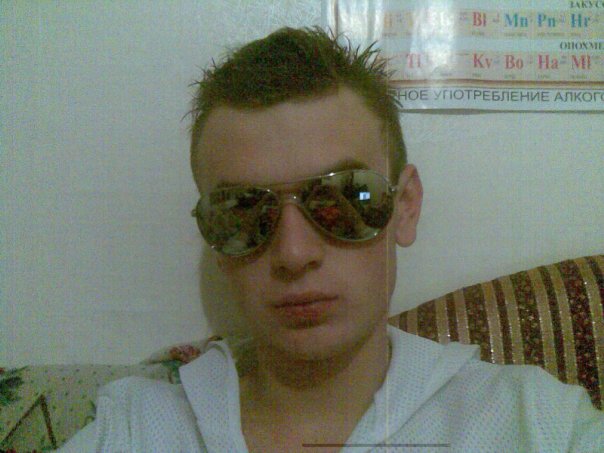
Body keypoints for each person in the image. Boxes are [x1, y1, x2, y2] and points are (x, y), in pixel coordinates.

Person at [58, 27, 602, 452]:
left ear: (405, 207)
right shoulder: (134, 428)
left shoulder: (536, 424)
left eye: (347, 198)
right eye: (242, 211)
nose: (294, 254)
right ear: (212, 235)